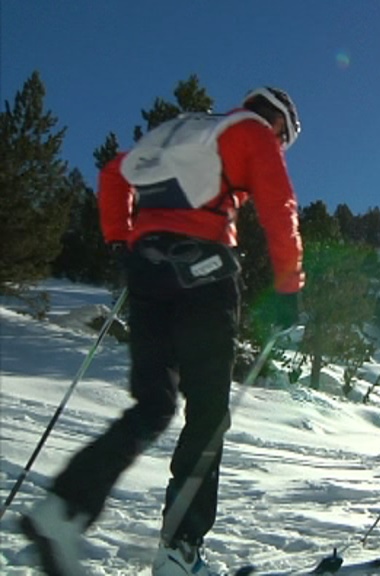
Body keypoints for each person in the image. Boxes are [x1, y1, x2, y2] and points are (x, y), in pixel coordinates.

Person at [20, 87, 305, 576]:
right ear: (279, 124)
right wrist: (288, 290)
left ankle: (63, 509)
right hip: (205, 270)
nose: (280, 146)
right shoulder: (254, 133)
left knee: (153, 405)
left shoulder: (187, 128)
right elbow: (280, 206)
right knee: (208, 413)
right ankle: (181, 546)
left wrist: (120, 241)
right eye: (286, 139)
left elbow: (113, 173)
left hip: (147, 266)